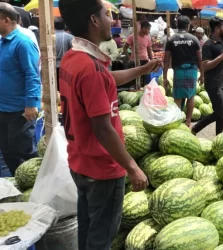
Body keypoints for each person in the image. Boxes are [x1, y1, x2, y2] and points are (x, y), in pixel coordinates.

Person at [58, 0, 161, 249]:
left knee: (88, 228)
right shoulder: (90, 67)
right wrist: (132, 167)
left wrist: (143, 69)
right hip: (102, 168)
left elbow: (105, 79)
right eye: (106, 14)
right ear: (93, 20)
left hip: (80, 162)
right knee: (102, 238)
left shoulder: (74, 59)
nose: (112, 21)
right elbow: (102, 128)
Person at [0, 2, 41, 176]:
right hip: (3, 108)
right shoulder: (3, 43)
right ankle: (20, 183)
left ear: (6, 20)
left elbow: (32, 74)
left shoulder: (23, 43)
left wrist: (31, 104)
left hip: (20, 110)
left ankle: (38, 184)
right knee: (7, 150)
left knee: (24, 151)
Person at [191, 17, 223, 135]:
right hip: (213, 84)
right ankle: (195, 129)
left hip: (222, 83)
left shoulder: (221, 43)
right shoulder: (208, 45)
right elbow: (205, 66)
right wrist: (221, 57)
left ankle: (219, 137)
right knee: (218, 112)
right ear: (217, 28)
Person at [163, 15, 203, 127]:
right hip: (192, 71)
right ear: (188, 25)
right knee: (190, 96)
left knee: (178, 97)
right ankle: (188, 120)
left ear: (177, 25)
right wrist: (202, 75)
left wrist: (165, 77)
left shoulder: (171, 39)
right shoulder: (194, 39)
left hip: (179, 71)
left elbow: (166, 60)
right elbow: (200, 59)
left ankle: (177, 120)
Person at [54, 17, 73, 89]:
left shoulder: (50, 37)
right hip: (65, 66)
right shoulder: (69, 37)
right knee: (64, 88)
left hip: (52, 66)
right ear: (64, 25)